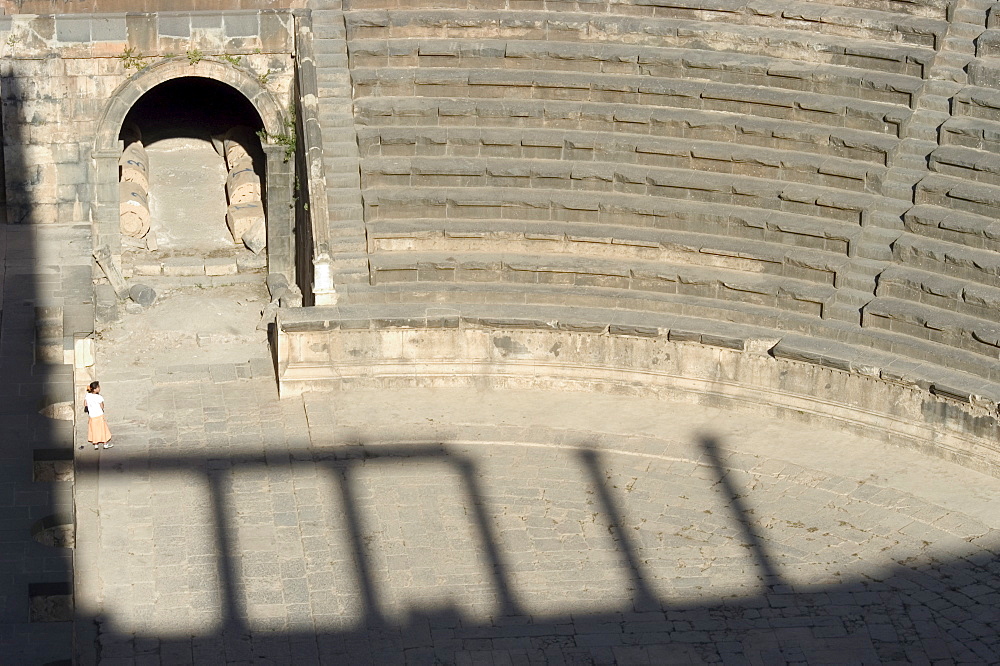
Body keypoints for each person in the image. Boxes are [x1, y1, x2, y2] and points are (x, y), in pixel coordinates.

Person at [85, 381, 113, 450]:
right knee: (103, 429)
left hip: (92, 416)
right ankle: (105, 444)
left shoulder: (87, 395)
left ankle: (96, 445)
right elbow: (102, 406)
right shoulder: (99, 397)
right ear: (95, 389)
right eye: (98, 387)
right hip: (99, 415)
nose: (99, 388)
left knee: (94, 429)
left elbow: (85, 404)